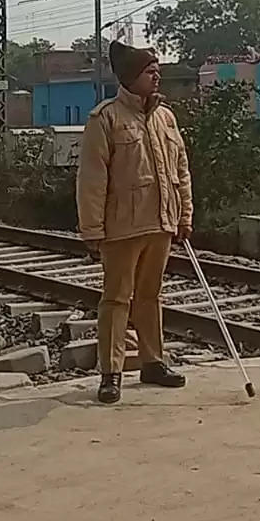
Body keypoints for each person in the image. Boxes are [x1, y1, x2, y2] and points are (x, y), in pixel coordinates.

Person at [77, 41, 194, 404]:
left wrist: (184, 215)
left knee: (150, 296)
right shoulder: (105, 119)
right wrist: (92, 229)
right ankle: (111, 373)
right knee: (115, 299)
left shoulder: (166, 118)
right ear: (130, 77)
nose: (157, 75)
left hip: (160, 223)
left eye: (157, 69)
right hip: (122, 227)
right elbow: (92, 179)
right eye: (149, 70)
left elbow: (181, 171)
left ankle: (153, 361)